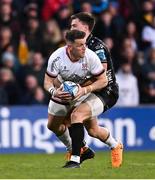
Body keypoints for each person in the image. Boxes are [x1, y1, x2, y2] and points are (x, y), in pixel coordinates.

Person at [54, 12, 123, 168]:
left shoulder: (97, 47)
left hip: (105, 91)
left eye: (74, 25)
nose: (70, 28)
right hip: (86, 90)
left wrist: (79, 87)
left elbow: (102, 75)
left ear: (85, 27)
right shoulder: (72, 46)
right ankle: (114, 145)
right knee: (92, 130)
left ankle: (76, 159)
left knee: (76, 115)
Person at [44, 29, 108, 168]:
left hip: (84, 92)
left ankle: (75, 158)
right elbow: (47, 81)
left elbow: (103, 81)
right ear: (69, 47)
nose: (84, 47)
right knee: (52, 126)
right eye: (80, 45)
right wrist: (54, 92)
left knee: (77, 117)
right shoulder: (57, 57)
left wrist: (85, 89)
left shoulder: (90, 56)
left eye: (84, 44)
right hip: (62, 92)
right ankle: (83, 150)